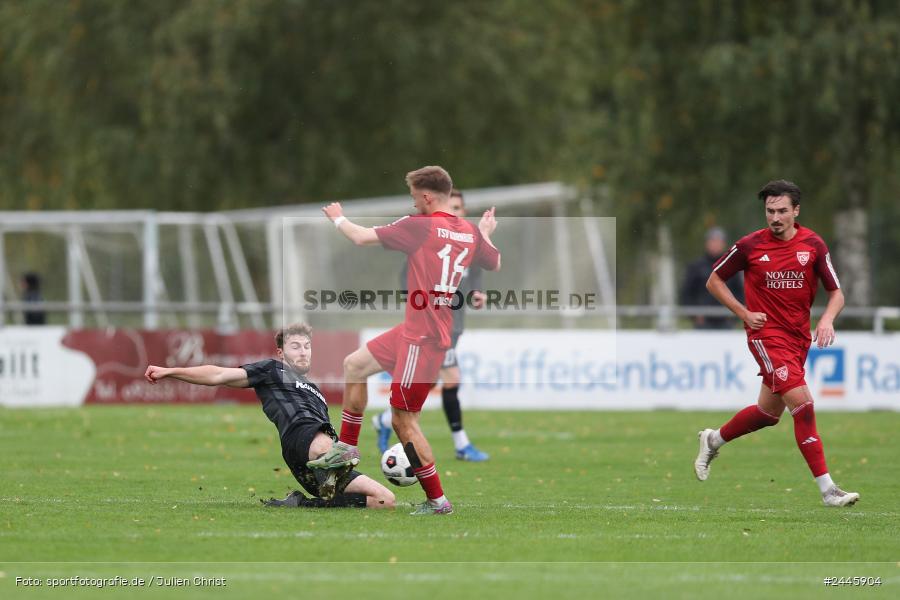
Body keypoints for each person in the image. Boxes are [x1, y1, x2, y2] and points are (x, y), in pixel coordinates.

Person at [308, 166, 501, 515]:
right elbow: (495, 262)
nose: (413, 204)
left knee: (403, 421)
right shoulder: (469, 231)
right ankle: (346, 449)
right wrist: (485, 232)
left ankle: (438, 501)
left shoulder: (420, 226)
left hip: (422, 337)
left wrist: (337, 217)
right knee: (354, 365)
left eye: (414, 197)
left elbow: (360, 237)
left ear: (427, 196)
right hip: (417, 329)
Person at [694, 180, 859, 507]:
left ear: (796, 211)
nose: (775, 217)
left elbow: (836, 293)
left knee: (768, 414)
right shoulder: (750, 245)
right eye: (770, 211)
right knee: (803, 406)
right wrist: (743, 312)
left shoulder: (813, 244)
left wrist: (826, 319)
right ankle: (829, 490)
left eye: (782, 211)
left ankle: (713, 439)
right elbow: (714, 280)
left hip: (798, 339)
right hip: (766, 337)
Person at [144, 323, 395, 510]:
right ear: (281, 353)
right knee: (328, 445)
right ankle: (331, 463)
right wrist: (170, 371)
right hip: (301, 439)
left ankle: (305, 502)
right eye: (295, 347)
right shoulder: (272, 370)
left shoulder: (316, 391)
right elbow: (218, 375)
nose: (303, 352)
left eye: (307, 347)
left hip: (316, 459)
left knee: (384, 500)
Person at [372, 188, 490, 462]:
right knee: (451, 379)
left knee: (429, 382)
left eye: (458, 208)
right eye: (450, 208)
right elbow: (407, 277)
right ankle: (461, 445)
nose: (453, 213)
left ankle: (384, 421)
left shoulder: (469, 241)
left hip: (455, 325)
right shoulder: (432, 240)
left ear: (464, 211)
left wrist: (477, 292)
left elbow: (476, 271)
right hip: (434, 327)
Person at [681, 227, 744, 329]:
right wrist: (694, 315)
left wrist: (735, 316)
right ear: (707, 243)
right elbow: (687, 293)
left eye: (718, 241)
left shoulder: (732, 266)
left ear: (723, 244)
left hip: (726, 322)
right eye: (712, 241)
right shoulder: (696, 267)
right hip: (702, 323)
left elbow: (740, 293)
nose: (715, 244)